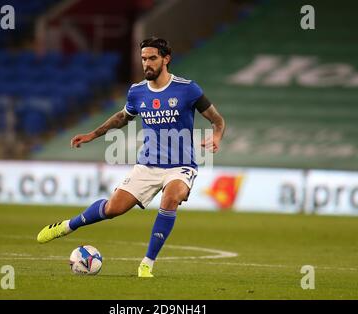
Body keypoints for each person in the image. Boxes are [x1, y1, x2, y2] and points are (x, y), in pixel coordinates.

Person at [37, 37, 225, 277]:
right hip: (147, 165)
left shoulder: (188, 89)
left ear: (166, 59)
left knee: (171, 197)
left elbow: (217, 119)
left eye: (152, 58)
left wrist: (217, 136)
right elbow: (122, 118)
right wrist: (92, 134)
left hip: (181, 165)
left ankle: (147, 263)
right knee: (113, 208)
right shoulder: (137, 92)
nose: (146, 63)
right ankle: (66, 226)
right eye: (144, 58)